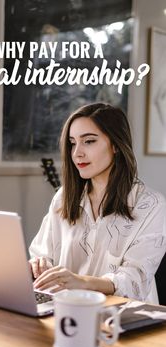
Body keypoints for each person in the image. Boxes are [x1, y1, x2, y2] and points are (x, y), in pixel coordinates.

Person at [29, 103, 166, 303]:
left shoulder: (152, 205)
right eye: (72, 143)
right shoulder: (63, 197)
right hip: (65, 311)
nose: (77, 153)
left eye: (89, 141)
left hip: (126, 319)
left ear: (116, 145)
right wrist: (39, 264)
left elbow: (134, 280)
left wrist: (81, 282)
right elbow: (42, 253)